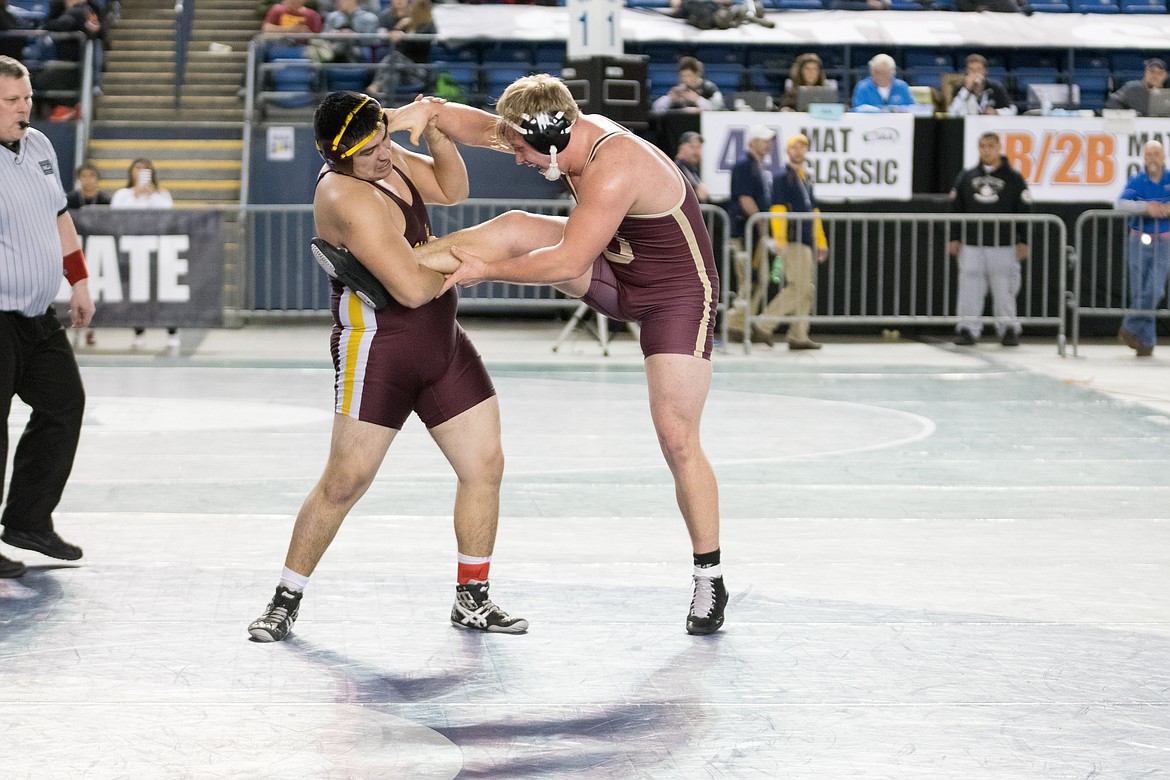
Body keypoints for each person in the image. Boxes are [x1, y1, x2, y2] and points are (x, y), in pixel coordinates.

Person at [389, 74, 729, 635]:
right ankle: (392, 266)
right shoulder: (554, 134)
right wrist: (416, 113)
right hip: (618, 268)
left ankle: (709, 577)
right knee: (516, 226)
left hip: (676, 298)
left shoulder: (612, 164)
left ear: (548, 137)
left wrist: (488, 271)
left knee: (676, 438)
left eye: (520, 149)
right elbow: (473, 125)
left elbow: (567, 264)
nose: (515, 157)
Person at [247, 91, 527, 642]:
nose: (384, 156)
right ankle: (285, 598)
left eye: (386, 141)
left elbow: (451, 188)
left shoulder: (382, 155)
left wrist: (437, 131)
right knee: (344, 482)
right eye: (371, 152)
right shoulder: (346, 195)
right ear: (338, 157)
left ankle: (472, 598)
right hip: (380, 347)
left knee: (484, 466)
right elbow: (411, 288)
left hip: (441, 341)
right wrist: (473, 252)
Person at [0, 55, 94, 578]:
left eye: (28, 97)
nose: (25, 108)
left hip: (37, 314)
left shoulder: (38, 146)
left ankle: (28, 520)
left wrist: (78, 281)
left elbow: (60, 217)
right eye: (12, 101)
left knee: (64, 404)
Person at [948, 131, 1031, 347]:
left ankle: (1008, 328)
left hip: (1003, 244)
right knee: (969, 287)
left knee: (1005, 289)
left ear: (999, 148)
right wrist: (955, 237)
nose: (986, 150)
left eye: (991, 146)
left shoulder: (1013, 178)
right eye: (982, 146)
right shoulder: (966, 177)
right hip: (973, 243)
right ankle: (967, 328)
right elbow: (956, 209)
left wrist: (1023, 240)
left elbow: (1024, 211)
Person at [760, 134, 828, 351]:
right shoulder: (783, 177)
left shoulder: (805, 177)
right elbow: (777, 208)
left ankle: (798, 334)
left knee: (806, 289)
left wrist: (820, 240)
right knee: (797, 286)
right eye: (795, 147)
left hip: (806, 240)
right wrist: (779, 238)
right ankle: (764, 324)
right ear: (788, 150)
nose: (800, 150)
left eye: (803, 147)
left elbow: (813, 211)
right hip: (792, 239)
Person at [110, 158, 178, 350]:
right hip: (133, 249)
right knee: (137, 292)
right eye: (137, 169)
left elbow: (170, 216)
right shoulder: (123, 195)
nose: (141, 172)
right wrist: (135, 196)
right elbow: (114, 216)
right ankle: (139, 332)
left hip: (157, 249)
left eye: (145, 169)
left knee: (164, 291)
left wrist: (152, 196)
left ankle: (172, 331)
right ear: (131, 172)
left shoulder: (161, 195)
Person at [1114, 140, 1170, 358]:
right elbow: (1120, 204)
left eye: (1156, 154)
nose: (1152, 159)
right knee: (1139, 289)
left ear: (1163, 157)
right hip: (1138, 239)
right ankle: (1146, 342)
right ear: (1144, 158)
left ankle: (1128, 326)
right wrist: (1145, 208)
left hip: (1164, 241)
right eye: (1148, 155)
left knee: (1155, 289)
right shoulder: (1137, 181)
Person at [727, 124, 776, 345]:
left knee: (760, 279)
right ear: (752, 142)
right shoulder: (744, 165)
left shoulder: (759, 167)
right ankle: (734, 325)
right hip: (743, 231)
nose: (768, 144)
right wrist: (759, 222)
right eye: (764, 140)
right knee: (748, 279)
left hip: (755, 234)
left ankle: (744, 323)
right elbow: (744, 198)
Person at [66, 161, 108, 347]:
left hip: (98, 251)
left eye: (91, 176)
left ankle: (91, 327)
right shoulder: (70, 200)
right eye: (84, 176)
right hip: (76, 250)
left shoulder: (105, 200)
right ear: (78, 179)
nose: (88, 180)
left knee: (97, 289)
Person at [368, 0, 437, 105]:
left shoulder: (427, 26)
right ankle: (384, 105)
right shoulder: (407, 25)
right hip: (403, 69)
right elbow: (397, 43)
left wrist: (404, 36)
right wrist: (399, 27)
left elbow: (420, 43)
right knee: (393, 73)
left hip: (419, 71)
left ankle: (376, 84)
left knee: (395, 56)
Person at [651, 55, 725, 113]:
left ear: (697, 74)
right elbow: (656, 108)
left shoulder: (709, 88)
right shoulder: (680, 89)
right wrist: (670, 99)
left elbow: (718, 107)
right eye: (683, 76)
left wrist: (697, 100)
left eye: (689, 76)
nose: (685, 79)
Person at [948, 54, 1016, 117]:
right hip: (966, 125)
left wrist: (996, 112)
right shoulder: (959, 88)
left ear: (985, 71)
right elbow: (951, 112)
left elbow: (1013, 110)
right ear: (966, 71)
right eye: (971, 69)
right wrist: (966, 89)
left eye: (978, 69)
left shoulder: (996, 87)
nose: (975, 73)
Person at [673, 130, 708, 203]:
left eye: (699, 147)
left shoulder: (692, 169)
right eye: (692, 147)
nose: (696, 151)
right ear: (681, 148)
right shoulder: (676, 169)